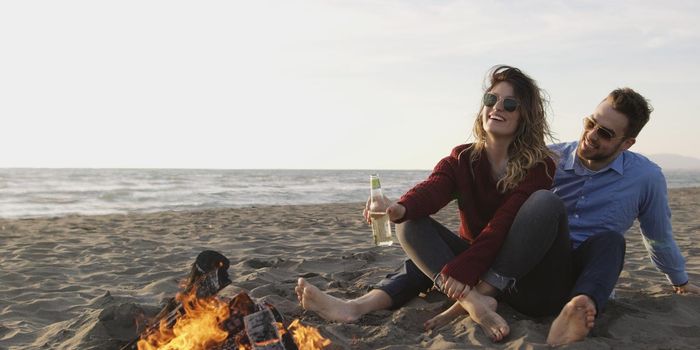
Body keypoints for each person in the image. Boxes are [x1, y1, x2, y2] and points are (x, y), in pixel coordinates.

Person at [295, 65, 557, 342]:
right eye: (491, 99)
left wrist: (462, 272)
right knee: (410, 230)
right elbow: (434, 188)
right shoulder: (462, 159)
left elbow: (502, 225)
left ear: (524, 116)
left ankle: (473, 300)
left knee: (539, 206)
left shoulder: (540, 166)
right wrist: (399, 208)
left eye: (510, 104)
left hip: (517, 274)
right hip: (475, 263)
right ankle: (355, 307)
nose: (497, 107)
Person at [423, 87, 700, 346]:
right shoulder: (546, 159)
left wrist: (680, 281)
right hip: (525, 271)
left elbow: (658, 237)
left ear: (626, 143)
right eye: (590, 123)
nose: (591, 134)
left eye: (604, 133)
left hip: (582, 276)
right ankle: (482, 296)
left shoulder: (645, 177)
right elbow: (498, 219)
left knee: (611, 241)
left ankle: (579, 307)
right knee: (545, 202)